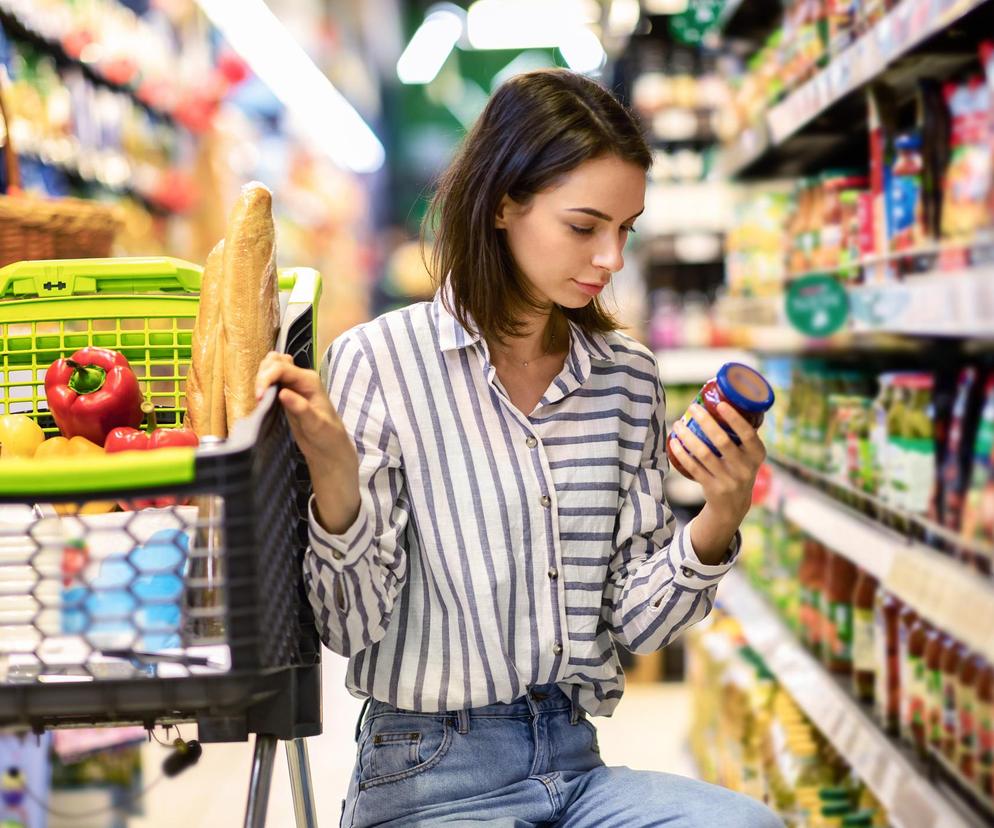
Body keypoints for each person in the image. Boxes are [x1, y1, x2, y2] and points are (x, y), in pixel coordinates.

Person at [256, 69, 781, 828]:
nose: (612, 258)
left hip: (573, 757)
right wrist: (336, 485)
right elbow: (348, 627)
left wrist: (720, 515)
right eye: (584, 227)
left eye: (625, 229)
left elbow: (637, 624)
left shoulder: (626, 377)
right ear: (504, 203)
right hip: (426, 768)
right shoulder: (380, 360)